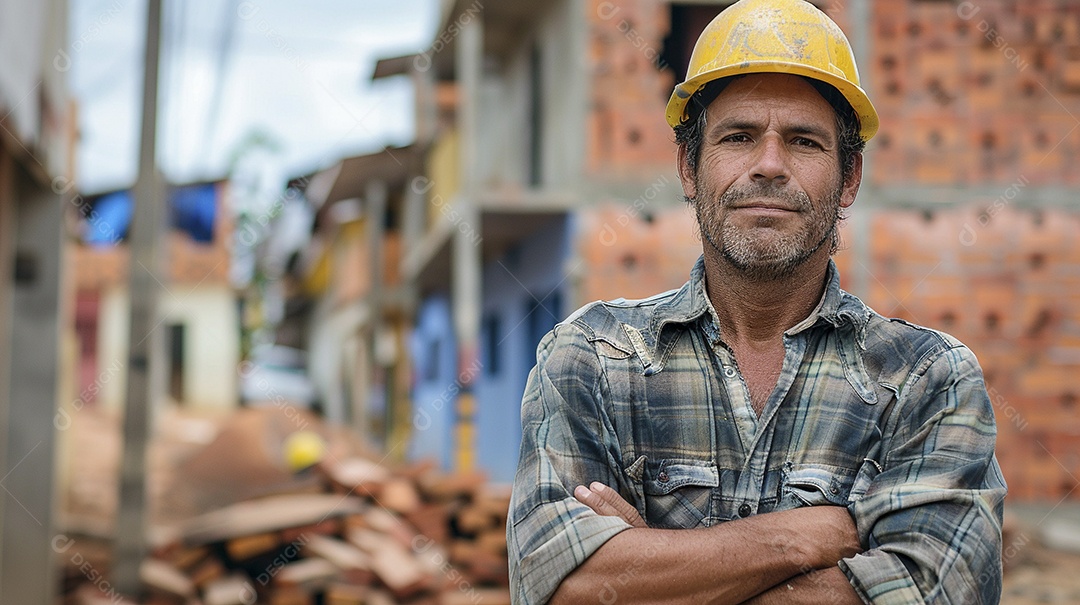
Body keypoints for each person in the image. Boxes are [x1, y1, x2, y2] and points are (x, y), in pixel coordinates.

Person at [506, 0, 1007, 603]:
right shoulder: (591, 359)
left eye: (803, 141)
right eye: (739, 137)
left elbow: (939, 592)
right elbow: (556, 586)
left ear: (849, 177)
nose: (769, 165)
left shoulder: (926, 380)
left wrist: (654, 571)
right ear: (689, 167)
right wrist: (802, 539)